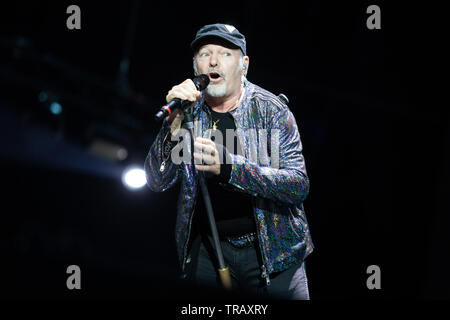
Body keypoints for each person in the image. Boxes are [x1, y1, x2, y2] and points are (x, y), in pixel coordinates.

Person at [145, 23, 313, 299]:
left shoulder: (272, 111)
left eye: (225, 53)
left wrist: (229, 168)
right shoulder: (188, 112)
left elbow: (297, 186)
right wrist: (171, 129)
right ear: (195, 65)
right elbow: (156, 180)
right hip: (209, 251)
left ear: (243, 65)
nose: (213, 60)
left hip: (273, 254)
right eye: (204, 53)